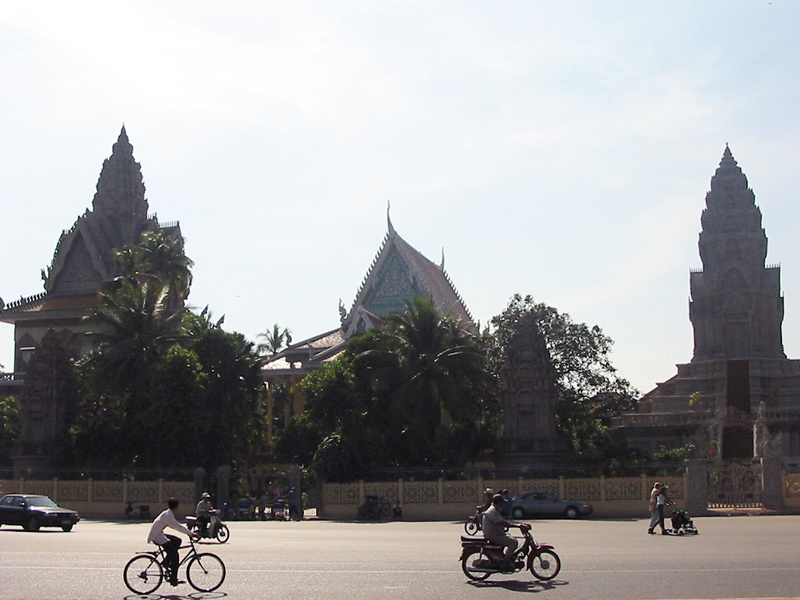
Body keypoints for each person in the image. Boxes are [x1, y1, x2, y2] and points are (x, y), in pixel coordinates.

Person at [148, 498, 197, 586]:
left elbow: (177, 526)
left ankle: (166, 562)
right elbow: (177, 527)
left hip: (158, 534)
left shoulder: (168, 513)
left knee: (177, 541)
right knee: (175, 555)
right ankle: (173, 579)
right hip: (157, 536)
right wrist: (190, 534)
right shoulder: (168, 516)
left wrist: (189, 533)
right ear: (176, 507)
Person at [482, 493, 519, 570]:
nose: (504, 504)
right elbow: (500, 522)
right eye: (502, 502)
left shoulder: (496, 510)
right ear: (499, 502)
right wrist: (516, 526)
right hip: (493, 535)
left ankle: (505, 557)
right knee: (513, 542)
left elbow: (502, 520)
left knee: (512, 538)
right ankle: (505, 563)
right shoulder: (492, 511)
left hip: (498, 533)